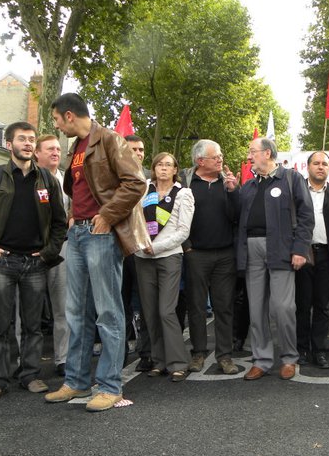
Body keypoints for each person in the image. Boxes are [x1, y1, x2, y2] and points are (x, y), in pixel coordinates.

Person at [45, 93, 149, 412]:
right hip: (79, 233)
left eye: (57, 120)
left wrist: (106, 215)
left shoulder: (110, 140)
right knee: (76, 311)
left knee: (108, 312)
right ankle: (76, 382)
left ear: (70, 116)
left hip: (101, 232)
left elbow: (136, 183)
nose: (56, 127)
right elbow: (79, 187)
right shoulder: (76, 146)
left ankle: (109, 386)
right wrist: (75, 215)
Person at [0, 122, 67, 402]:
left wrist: (48, 253)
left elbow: (60, 222)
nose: (28, 143)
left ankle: (30, 375)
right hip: (2, 262)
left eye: (32, 139)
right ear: (9, 144)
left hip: (35, 263)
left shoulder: (46, 179)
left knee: (33, 326)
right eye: (22, 139)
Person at [237, 137, 314, 381]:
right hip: (252, 249)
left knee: (283, 308)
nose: (249, 156)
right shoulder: (247, 186)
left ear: (267, 153)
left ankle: (289, 358)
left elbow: (306, 215)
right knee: (256, 308)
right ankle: (261, 360)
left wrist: (300, 249)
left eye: (253, 152)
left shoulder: (291, 178)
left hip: (281, 249)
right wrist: (231, 192)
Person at [180, 139, 240, 375]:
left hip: (225, 254)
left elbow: (238, 216)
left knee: (224, 307)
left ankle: (224, 356)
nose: (220, 159)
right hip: (196, 254)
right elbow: (176, 217)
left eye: (221, 155)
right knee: (195, 306)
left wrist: (234, 192)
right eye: (215, 156)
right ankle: (198, 353)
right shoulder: (186, 183)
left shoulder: (228, 183)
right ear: (200, 160)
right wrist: (186, 246)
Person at [135, 153, 194, 382]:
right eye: (160, 164)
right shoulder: (143, 190)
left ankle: (178, 363)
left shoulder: (183, 194)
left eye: (168, 165)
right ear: (153, 168)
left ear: (175, 169)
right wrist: (141, 244)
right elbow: (134, 220)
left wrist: (157, 248)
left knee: (166, 311)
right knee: (149, 312)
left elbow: (183, 231)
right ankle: (159, 361)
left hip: (168, 256)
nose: (164, 168)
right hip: (143, 256)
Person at [295, 151, 329, 369]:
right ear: (307, 167)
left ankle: (320, 350)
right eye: (316, 163)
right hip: (302, 254)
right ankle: (302, 349)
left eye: (324, 164)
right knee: (302, 305)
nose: (320, 167)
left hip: (327, 255)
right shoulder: (296, 191)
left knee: (323, 306)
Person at [34, 134, 70, 377]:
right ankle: (23, 361)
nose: (55, 153)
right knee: (27, 311)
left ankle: (63, 359)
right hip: (30, 251)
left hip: (61, 249)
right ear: (37, 153)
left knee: (63, 308)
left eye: (58, 149)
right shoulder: (27, 179)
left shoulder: (67, 181)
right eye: (49, 149)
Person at [123, 134, 152, 372]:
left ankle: (146, 353)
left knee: (145, 304)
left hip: (144, 250)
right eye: (133, 148)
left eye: (141, 149)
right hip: (120, 250)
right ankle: (119, 353)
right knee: (119, 304)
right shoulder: (113, 178)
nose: (138, 153)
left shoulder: (152, 182)